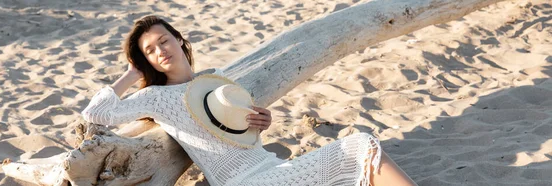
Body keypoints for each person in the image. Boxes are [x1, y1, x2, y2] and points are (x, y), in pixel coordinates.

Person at [81, 15, 416, 186]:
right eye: (149, 52)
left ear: (180, 40)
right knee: (361, 145)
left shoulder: (213, 83)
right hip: (243, 182)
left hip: (271, 167)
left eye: (163, 41)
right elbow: (96, 114)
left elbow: (240, 136)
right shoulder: (154, 97)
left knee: (361, 153)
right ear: (147, 62)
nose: (160, 51)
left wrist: (262, 123)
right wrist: (130, 73)